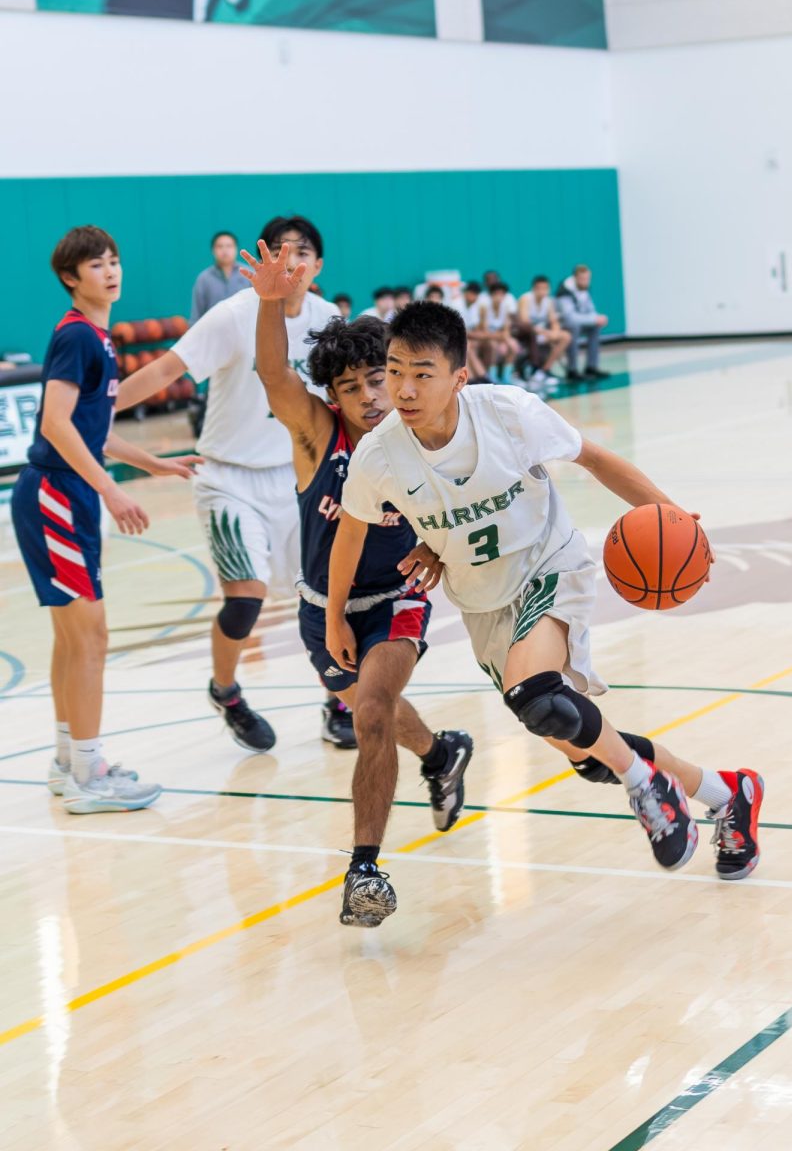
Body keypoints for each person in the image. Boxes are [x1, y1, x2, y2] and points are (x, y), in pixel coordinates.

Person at [326, 301, 764, 909]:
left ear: (459, 376)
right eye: (395, 369)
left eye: (422, 373)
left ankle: (646, 786)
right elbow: (352, 530)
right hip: (482, 603)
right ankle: (726, 793)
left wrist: (673, 515)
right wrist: (333, 615)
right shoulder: (380, 455)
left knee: (536, 692)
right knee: (579, 743)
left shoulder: (508, 414)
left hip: (549, 564)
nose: (403, 387)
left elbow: (596, 458)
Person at [240, 240, 473, 927]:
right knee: (376, 714)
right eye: (353, 387)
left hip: (397, 598)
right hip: (324, 607)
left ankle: (364, 870)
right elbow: (273, 372)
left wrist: (441, 543)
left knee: (369, 711)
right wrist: (268, 304)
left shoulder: (417, 425)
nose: (373, 396)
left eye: (380, 379)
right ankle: (441, 752)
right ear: (332, 398)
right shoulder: (317, 437)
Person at [116, 215, 357, 752]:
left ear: (319, 266)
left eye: (301, 253)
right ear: (262, 262)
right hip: (229, 478)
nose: (290, 263)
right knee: (245, 599)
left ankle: (338, 698)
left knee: (329, 598)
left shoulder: (330, 320)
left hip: (304, 478)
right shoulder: (232, 316)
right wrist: (97, 409)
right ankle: (225, 690)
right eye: (279, 252)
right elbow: (163, 371)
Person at [11, 225, 201, 813]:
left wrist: (154, 464)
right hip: (56, 495)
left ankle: (71, 762)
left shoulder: (98, 337)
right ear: (71, 278)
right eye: (97, 265)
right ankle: (88, 775)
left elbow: (95, 431)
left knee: (74, 638)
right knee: (89, 636)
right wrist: (110, 493)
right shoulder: (77, 338)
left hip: (64, 494)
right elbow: (56, 424)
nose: (111, 271)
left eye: (114, 261)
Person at [516, 275, 571, 389]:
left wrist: (555, 332)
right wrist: (547, 333)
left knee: (565, 336)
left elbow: (554, 321)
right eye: (540, 288)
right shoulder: (525, 299)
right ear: (534, 289)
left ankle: (543, 371)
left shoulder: (548, 301)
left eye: (545, 288)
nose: (542, 291)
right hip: (527, 335)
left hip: (542, 334)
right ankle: (533, 370)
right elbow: (525, 323)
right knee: (535, 335)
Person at [556, 264, 610, 381]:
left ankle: (591, 367)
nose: (585, 281)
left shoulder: (584, 289)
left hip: (579, 323)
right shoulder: (564, 292)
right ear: (575, 278)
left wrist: (598, 318)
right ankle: (572, 370)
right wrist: (593, 319)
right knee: (574, 327)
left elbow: (590, 310)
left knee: (595, 327)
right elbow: (569, 318)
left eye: (587, 279)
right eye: (582, 279)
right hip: (562, 326)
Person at [190, 231, 250, 324]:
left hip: (245, 330)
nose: (225, 250)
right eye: (220, 246)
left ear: (236, 249)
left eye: (229, 246)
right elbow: (196, 315)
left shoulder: (249, 273)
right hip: (213, 332)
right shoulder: (204, 278)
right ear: (213, 250)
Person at [475, 282, 520, 383]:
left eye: (502, 294)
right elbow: (485, 332)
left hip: (498, 338)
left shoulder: (506, 308)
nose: (499, 297)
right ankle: (492, 375)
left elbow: (506, 331)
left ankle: (506, 376)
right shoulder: (485, 308)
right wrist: (500, 337)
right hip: (485, 339)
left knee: (513, 346)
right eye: (497, 294)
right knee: (493, 345)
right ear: (491, 295)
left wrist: (505, 341)